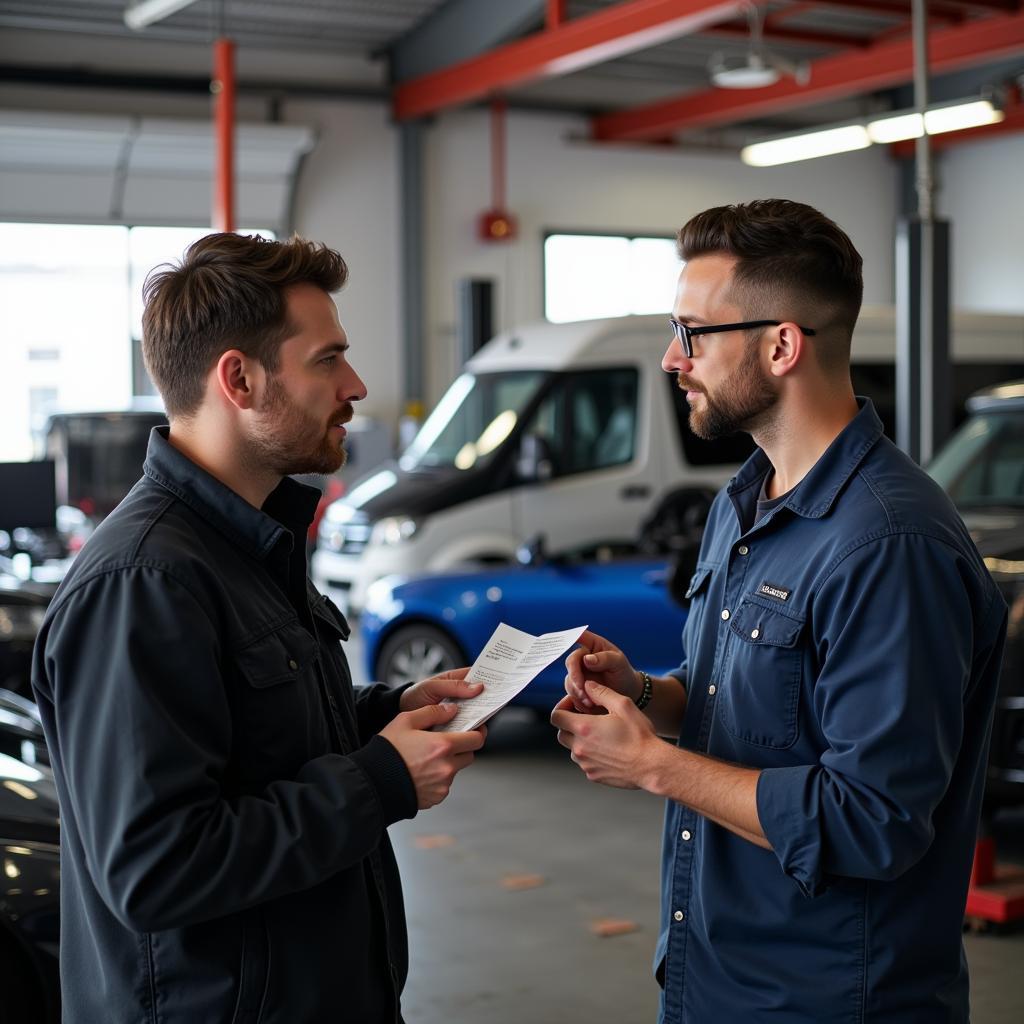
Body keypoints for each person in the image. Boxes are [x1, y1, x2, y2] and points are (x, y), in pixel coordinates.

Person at [551, 199, 1006, 1023]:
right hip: (713, 977)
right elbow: (745, 696)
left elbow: (873, 821)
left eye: (693, 333)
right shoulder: (746, 502)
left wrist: (652, 765)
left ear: (782, 345)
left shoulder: (889, 545)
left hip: (831, 1000)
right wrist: (649, 695)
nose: (671, 358)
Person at [31, 232, 486, 1023]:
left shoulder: (245, 542)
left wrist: (387, 713)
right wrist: (380, 780)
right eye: (326, 360)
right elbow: (157, 867)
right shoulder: (145, 581)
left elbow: (256, 740)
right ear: (238, 379)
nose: (355, 385)